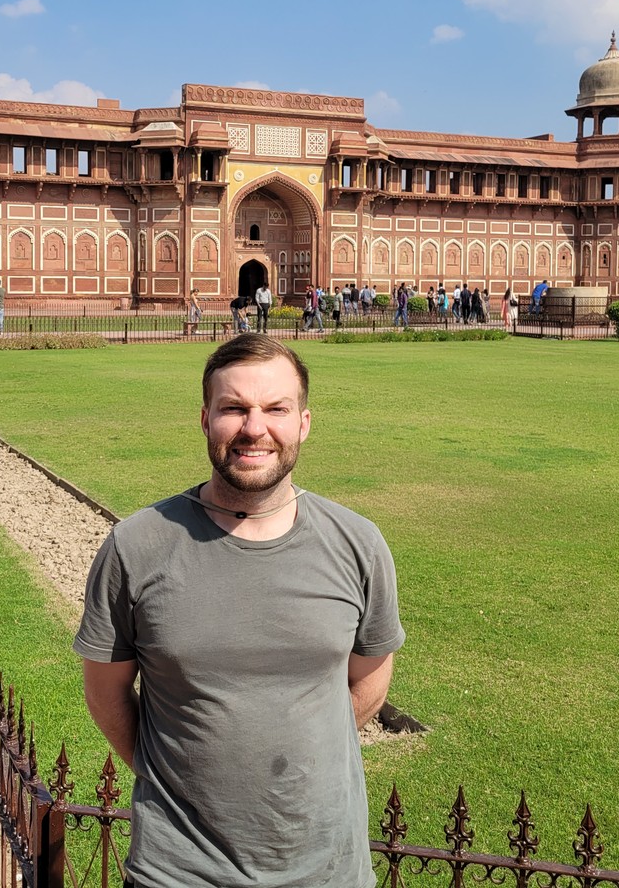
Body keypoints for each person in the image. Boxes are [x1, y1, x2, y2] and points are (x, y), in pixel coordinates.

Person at [75, 335, 404, 888]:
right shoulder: (137, 547)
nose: (255, 428)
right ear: (205, 419)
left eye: (276, 409)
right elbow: (106, 695)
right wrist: (182, 783)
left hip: (326, 872)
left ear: (303, 423)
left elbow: (370, 681)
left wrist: (306, 757)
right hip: (178, 872)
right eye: (234, 408)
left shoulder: (357, 545)